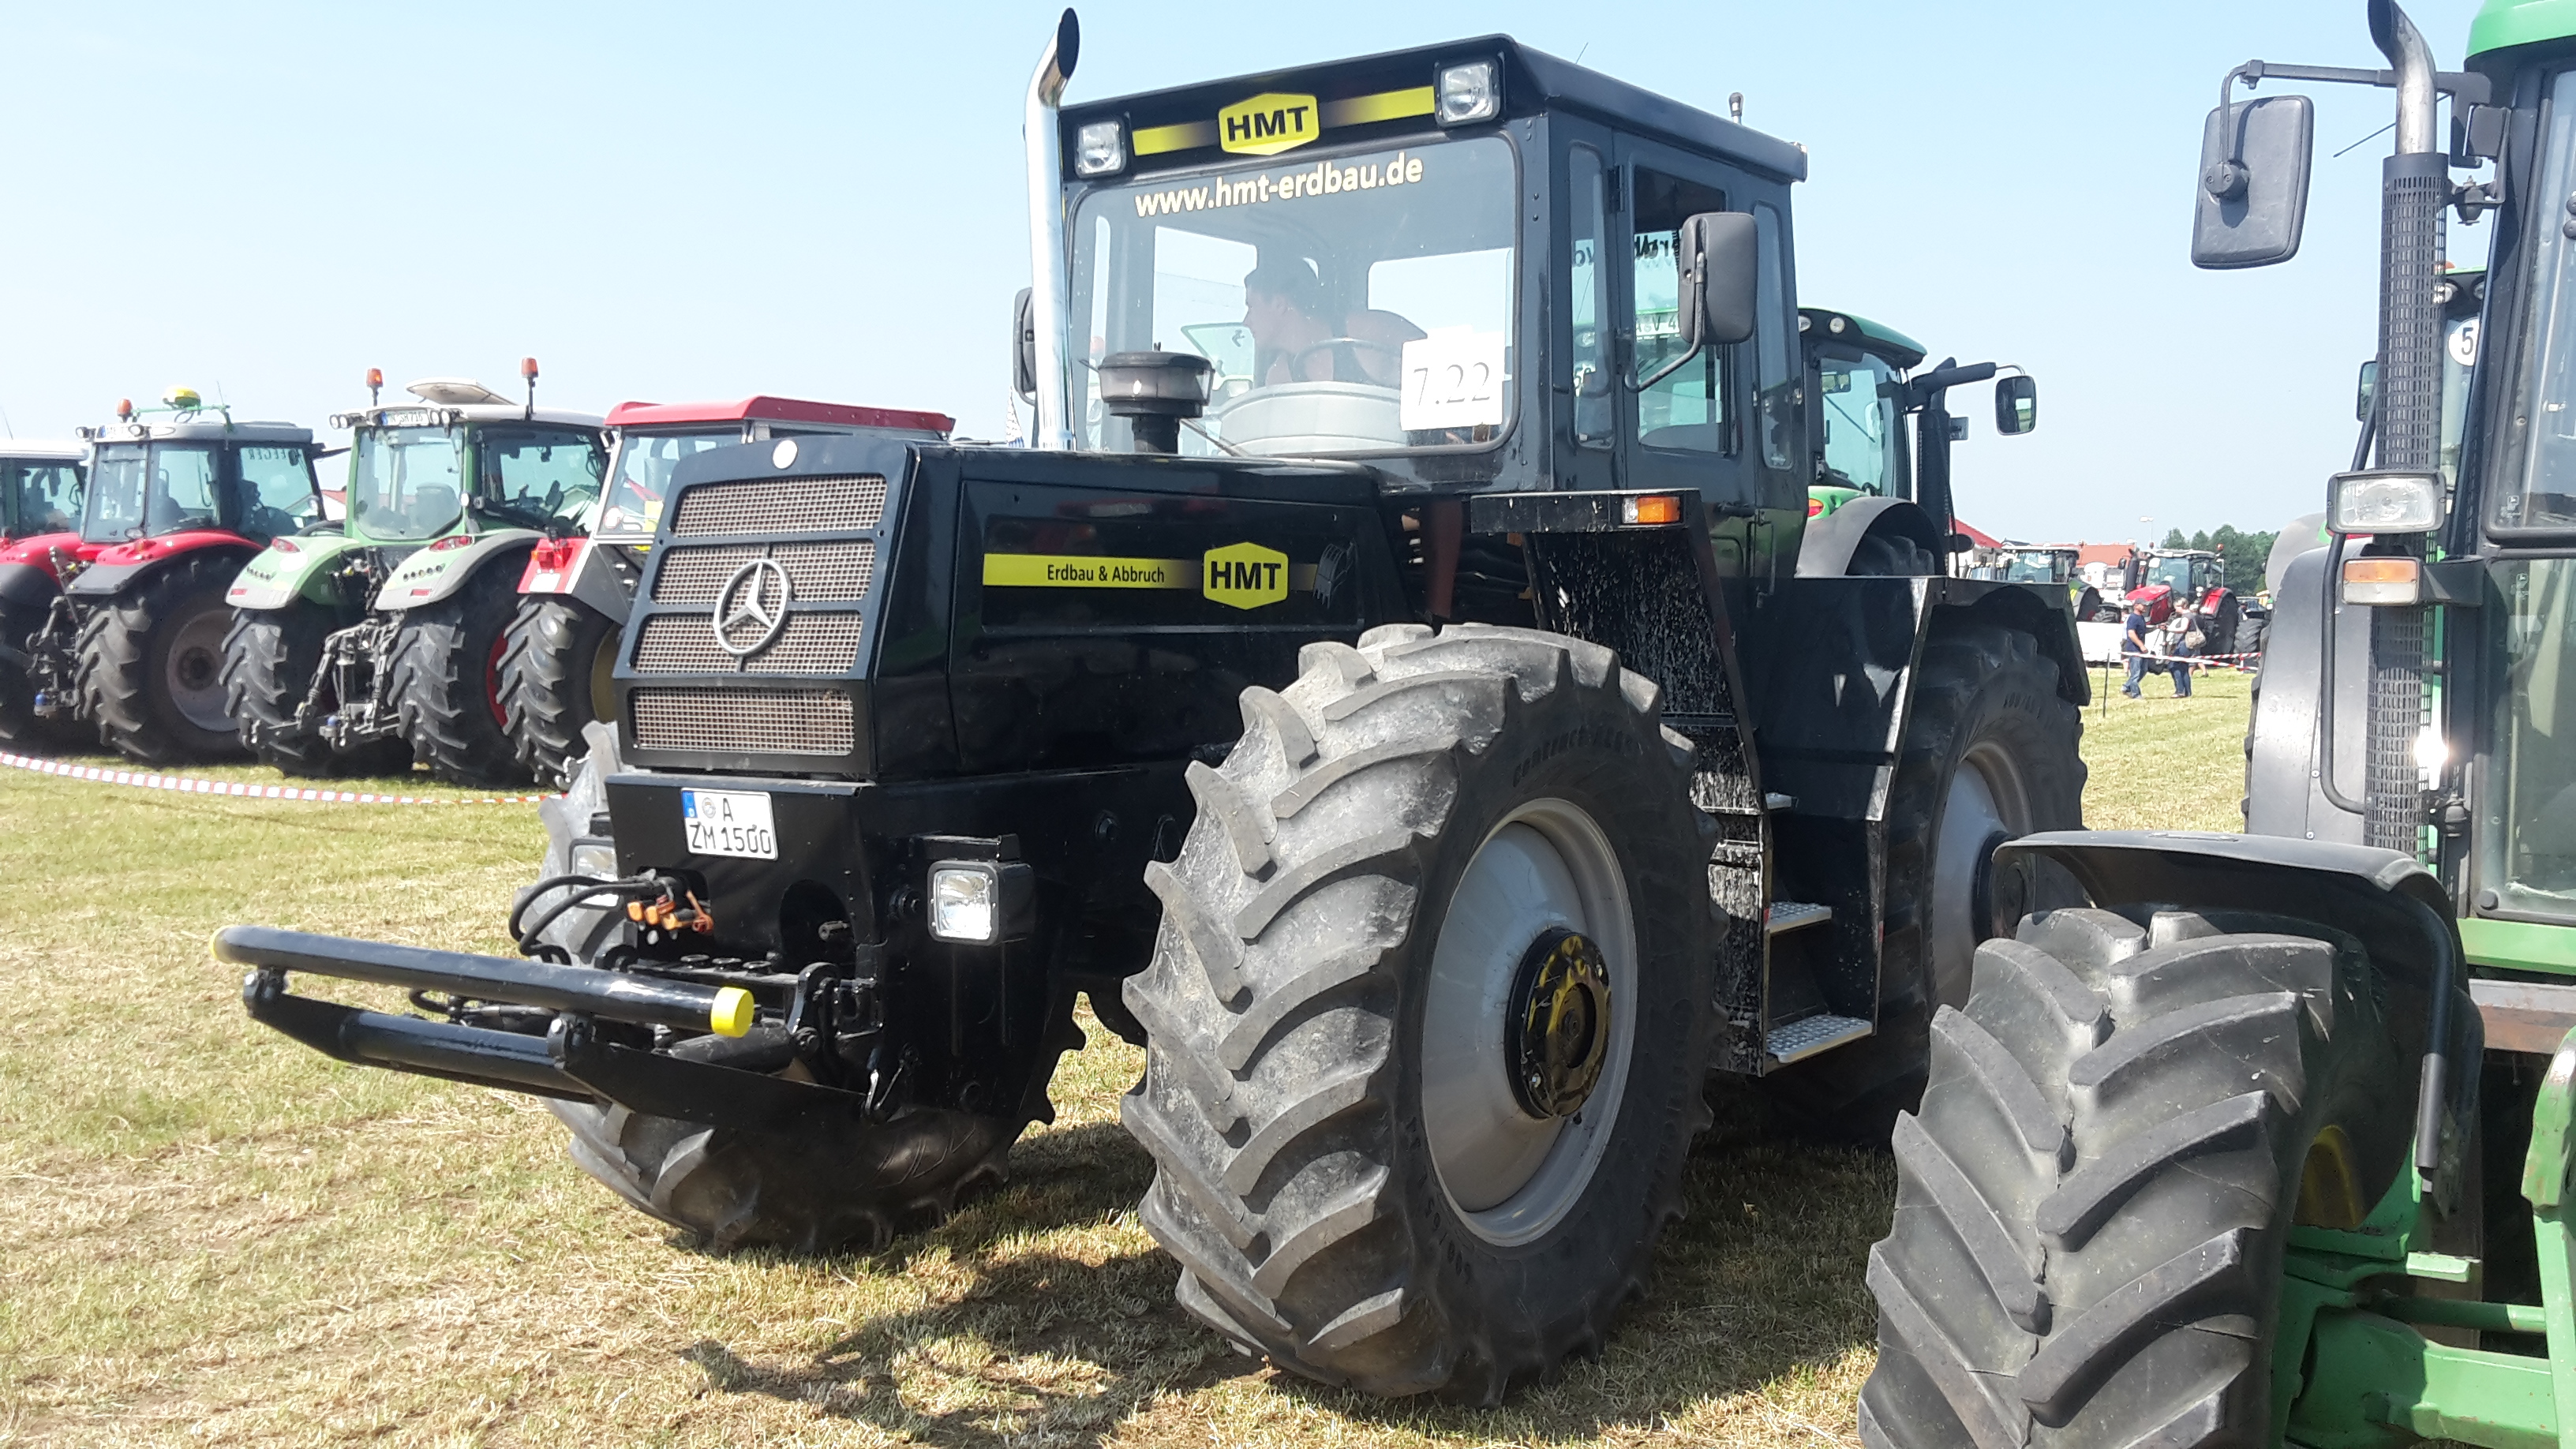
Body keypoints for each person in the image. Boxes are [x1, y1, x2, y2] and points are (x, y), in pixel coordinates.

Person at [1241, 258, 1424, 388]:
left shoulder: (1370, 331)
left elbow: (1437, 360)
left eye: (1251, 308)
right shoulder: (1279, 377)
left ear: (1279, 304)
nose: (1246, 321)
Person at [2166, 596, 2197, 698]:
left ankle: (2180, 691)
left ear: (2183, 606)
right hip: (2188, 644)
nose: (2176, 609)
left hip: (2185, 644)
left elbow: (2183, 629)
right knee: (2183, 667)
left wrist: (2169, 629)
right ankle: (2187, 691)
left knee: (2174, 666)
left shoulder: (2186, 616)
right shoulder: (2192, 615)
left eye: (2177, 606)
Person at [2121, 602, 2152, 698]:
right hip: (2134, 649)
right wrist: (2141, 646)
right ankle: (2135, 694)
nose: (2145, 607)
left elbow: (2143, 630)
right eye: (2143, 605)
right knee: (2136, 672)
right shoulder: (2133, 618)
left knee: (2143, 670)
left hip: (2140, 649)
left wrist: (2157, 627)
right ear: (2136, 606)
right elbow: (2131, 633)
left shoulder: (2141, 617)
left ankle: (2126, 687)